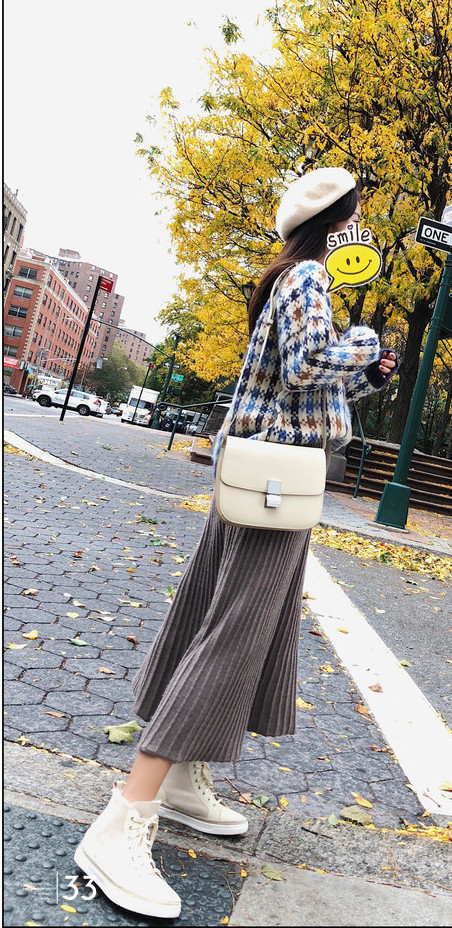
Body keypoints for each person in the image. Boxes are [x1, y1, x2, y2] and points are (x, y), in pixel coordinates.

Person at [74, 167, 398, 919]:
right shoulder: (310, 279)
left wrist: (368, 375)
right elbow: (311, 364)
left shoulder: (292, 279)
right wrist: (363, 343)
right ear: (338, 223)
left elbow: (303, 384)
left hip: (262, 472)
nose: (359, 231)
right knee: (232, 635)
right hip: (275, 481)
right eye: (355, 219)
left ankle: (180, 781)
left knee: (213, 617)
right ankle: (124, 818)